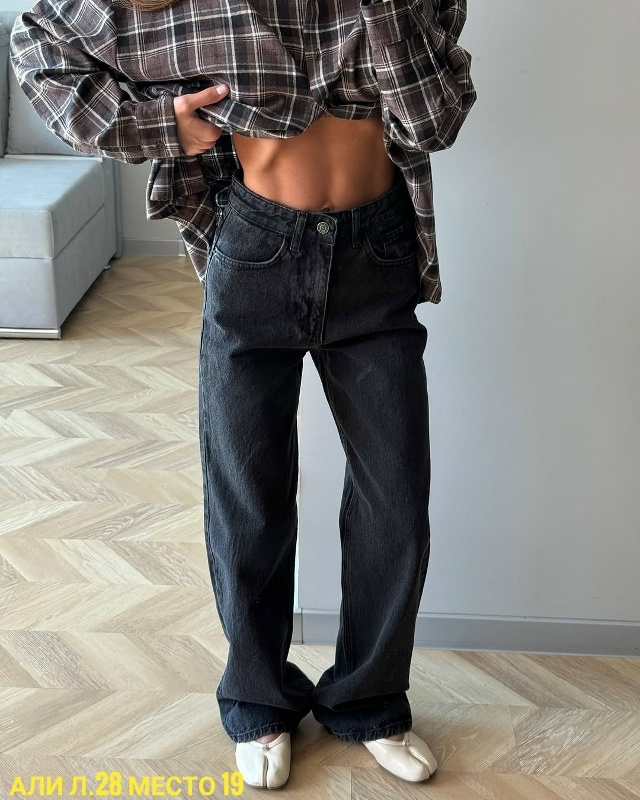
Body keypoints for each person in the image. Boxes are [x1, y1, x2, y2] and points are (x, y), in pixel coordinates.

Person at [10, 0, 476, 788]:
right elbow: (42, 43)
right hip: (258, 246)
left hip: (379, 251)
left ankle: (370, 700)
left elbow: (436, 121)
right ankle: (258, 699)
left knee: (395, 497)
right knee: (247, 494)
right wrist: (158, 124)